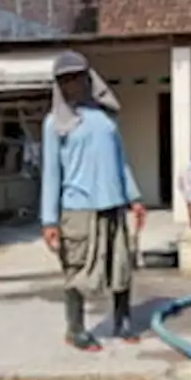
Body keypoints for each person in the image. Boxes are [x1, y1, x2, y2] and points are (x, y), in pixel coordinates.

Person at [40, 51, 146, 352]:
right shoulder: (56, 123)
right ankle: (75, 329)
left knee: (121, 266)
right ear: (59, 86)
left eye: (78, 77)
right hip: (78, 209)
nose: (73, 84)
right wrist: (49, 220)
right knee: (77, 270)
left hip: (113, 203)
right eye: (65, 80)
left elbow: (121, 161)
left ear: (89, 78)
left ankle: (122, 321)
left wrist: (134, 198)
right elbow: (51, 173)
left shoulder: (106, 120)